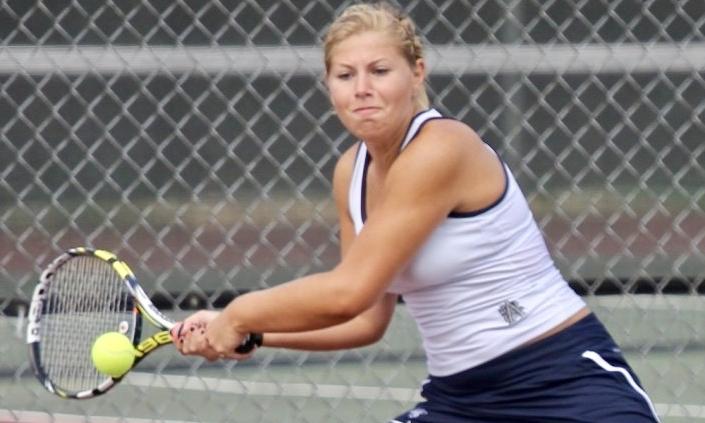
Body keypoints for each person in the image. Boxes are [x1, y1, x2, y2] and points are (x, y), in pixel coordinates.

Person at [171, 2, 660, 422]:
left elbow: (348, 293)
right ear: (329, 86)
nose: (362, 88)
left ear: (417, 73)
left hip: (565, 384)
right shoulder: (351, 173)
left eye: (379, 71)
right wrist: (251, 333)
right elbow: (364, 321)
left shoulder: (441, 148)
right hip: (460, 402)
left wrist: (238, 313)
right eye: (345, 75)